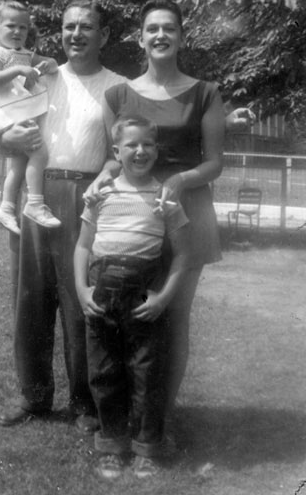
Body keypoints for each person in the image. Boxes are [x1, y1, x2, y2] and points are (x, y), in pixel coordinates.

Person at [86, 0, 226, 450]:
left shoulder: (205, 92)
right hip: (131, 216)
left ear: (182, 37)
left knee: (172, 318)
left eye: (169, 28)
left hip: (187, 215)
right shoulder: (119, 95)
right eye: (152, 29)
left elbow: (215, 164)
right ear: (141, 38)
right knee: (124, 322)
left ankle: (161, 418)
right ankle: (124, 419)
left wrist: (181, 179)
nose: (160, 35)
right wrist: (104, 178)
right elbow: (114, 157)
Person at [0, 0, 126, 431]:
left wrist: (102, 180)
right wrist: (5, 138)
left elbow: (120, 154)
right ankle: (33, 397)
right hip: (38, 190)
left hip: (86, 197)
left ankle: (84, 402)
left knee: (79, 301)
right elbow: (6, 126)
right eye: (69, 26)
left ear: (103, 35)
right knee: (30, 299)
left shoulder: (116, 87)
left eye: (86, 27)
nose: (76, 34)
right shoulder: (43, 76)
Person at [74, 117, 191, 480]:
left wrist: (163, 298)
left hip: (144, 293)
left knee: (146, 372)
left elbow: (184, 255)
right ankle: (111, 444)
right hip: (102, 290)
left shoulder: (165, 197)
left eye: (148, 145)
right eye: (131, 145)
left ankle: (145, 448)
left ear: (156, 151)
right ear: (116, 152)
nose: (140, 151)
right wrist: (81, 289)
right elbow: (81, 246)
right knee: (105, 370)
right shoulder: (100, 194)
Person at [0, 0, 61, 234]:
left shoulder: (26, 54)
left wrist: (49, 64)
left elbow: (51, 64)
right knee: (39, 153)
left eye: (23, 27)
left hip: (20, 115)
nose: (17, 31)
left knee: (17, 165)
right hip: (7, 117)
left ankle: (5, 207)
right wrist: (16, 69)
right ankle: (35, 203)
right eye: (10, 26)